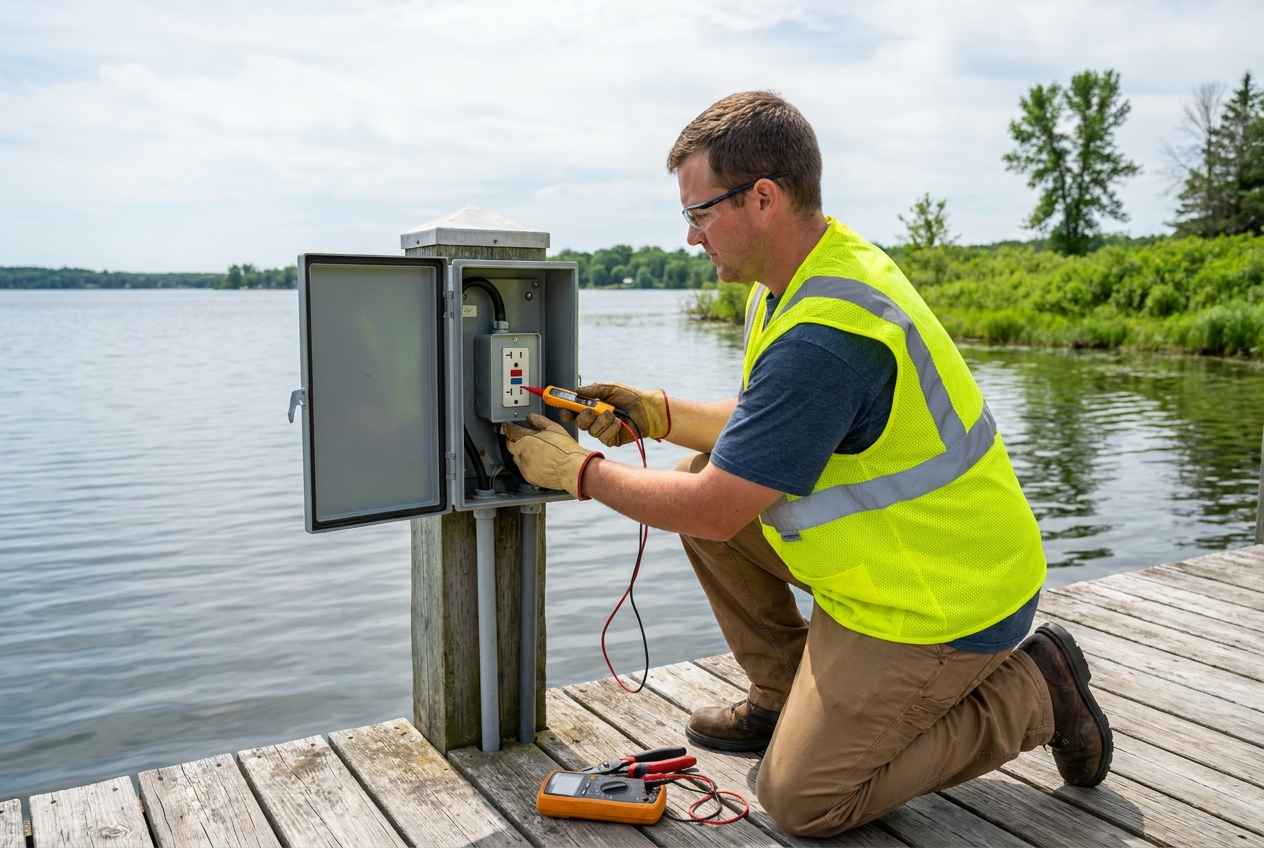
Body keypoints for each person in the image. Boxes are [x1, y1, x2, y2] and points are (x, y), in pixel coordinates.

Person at [503, 90, 1112, 838]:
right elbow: (770, 430)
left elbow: (719, 510)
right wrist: (656, 413)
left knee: (803, 802)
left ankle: (1039, 691)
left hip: (944, 602)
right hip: (898, 567)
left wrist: (576, 472)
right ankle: (783, 694)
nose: (691, 237)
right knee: (696, 470)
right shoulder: (800, 276)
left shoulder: (826, 333)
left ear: (763, 197)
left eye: (699, 213)